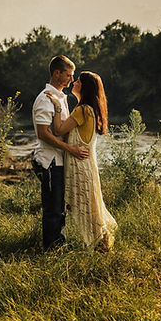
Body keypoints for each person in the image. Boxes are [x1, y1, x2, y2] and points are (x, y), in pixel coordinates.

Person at [46, 70, 118, 249]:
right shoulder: (91, 109)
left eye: (77, 81)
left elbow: (58, 130)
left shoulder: (82, 110)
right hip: (88, 166)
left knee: (87, 210)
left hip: (80, 166)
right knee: (91, 208)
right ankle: (102, 244)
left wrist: (56, 106)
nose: (74, 82)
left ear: (84, 87)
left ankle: (100, 246)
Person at [32, 55, 89, 248]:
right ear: (57, 73)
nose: (71, 80)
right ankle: (52, 248)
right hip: (49, 161)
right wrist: (70, 149)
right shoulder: (44, 99)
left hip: (59, 161)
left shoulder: (59, 98)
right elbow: (43, 134)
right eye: (68, 75)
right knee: (53, 208)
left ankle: (59, 243)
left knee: (60, 206)